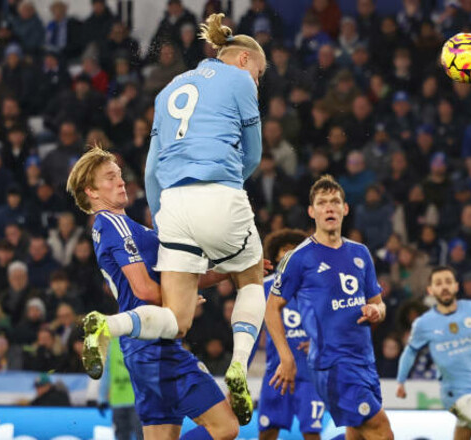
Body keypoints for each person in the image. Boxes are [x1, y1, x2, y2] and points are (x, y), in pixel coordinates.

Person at [144, 13, 267, 425]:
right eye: (260, 73)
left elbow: (149, 170)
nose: (258, 81)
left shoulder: (166, 91)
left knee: (177, 321)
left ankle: (112, 325)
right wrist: (228, 184)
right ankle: (240, 365)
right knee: (251, 279)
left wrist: (163, 222)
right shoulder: (239, 81)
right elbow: (252, 154)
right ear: (245, 60)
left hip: (173, 205)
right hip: (219, 190)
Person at [66, 147, 238, 440]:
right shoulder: (114, 225)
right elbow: (144, 288)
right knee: (225, 427)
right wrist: (178, 302)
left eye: (120, 175)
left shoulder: (128, 227)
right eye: (110, 178)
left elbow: (184, 280)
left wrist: (234, 269)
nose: (121, 182)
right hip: (156, 347)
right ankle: (104, 325)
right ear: (91, 191)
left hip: (142, 349)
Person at [265, 176, 393, 440]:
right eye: (322, 203)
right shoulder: (299, 258)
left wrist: (376, 312)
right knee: (381, 431)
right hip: (332, 364)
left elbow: (378, 304)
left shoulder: (361, 253)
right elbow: (271, 308)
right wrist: (286, 357)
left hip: (365, 362)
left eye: (335, 201)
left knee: (357, 434)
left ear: (345, 209)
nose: (329, 207)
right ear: (312, 212)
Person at [397, 266, 471, 440]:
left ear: (456, 286)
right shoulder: (424, 323)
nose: (444, 287)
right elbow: (410, 351)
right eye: (438, 283)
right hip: (455, 394)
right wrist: (401, 381)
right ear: (431, 290)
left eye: (448, 282)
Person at [258, 228, 324, 440]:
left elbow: (335, 325)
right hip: (275, 373)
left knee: (311, 433)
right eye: (284, 250)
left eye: (295, 249)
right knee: (267, 433)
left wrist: (319, 342)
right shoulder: (264, 288)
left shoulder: (319, 288)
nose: (290, 253)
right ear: (276, 255)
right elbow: (251, 332)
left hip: (310, 374)